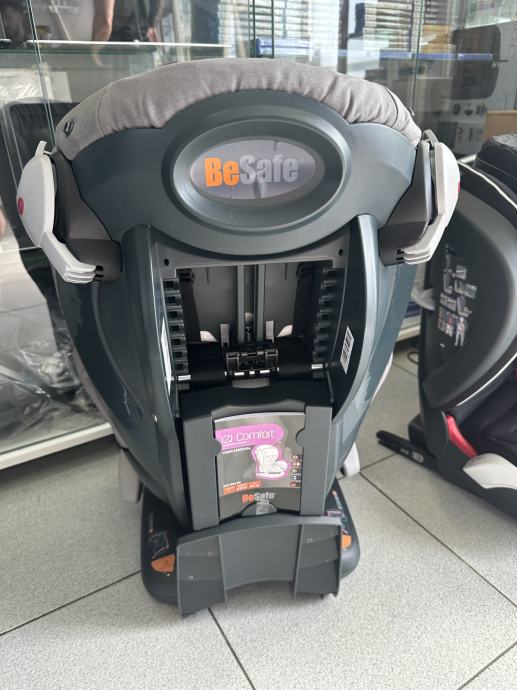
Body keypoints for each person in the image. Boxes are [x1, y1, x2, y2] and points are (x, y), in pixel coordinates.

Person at [92, 0, 164, 43]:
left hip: (112, 35)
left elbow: (106, 22)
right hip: (140, 33)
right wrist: (152, 24)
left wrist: (94, 49)